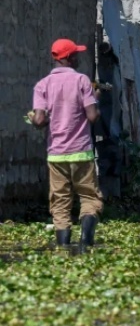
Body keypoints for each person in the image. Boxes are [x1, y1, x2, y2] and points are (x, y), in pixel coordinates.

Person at [28, 38, 103, 254]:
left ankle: (63, 246)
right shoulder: (82, 81)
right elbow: (92, 116)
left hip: (56, 155)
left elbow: (39, 120)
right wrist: (96, 98)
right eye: (76, 54)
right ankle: (86, 242)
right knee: (89, 197)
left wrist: (35, 119)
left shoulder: (42, 85)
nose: (78, 58)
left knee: (60, 202)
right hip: (81, 152)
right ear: (69, 57)